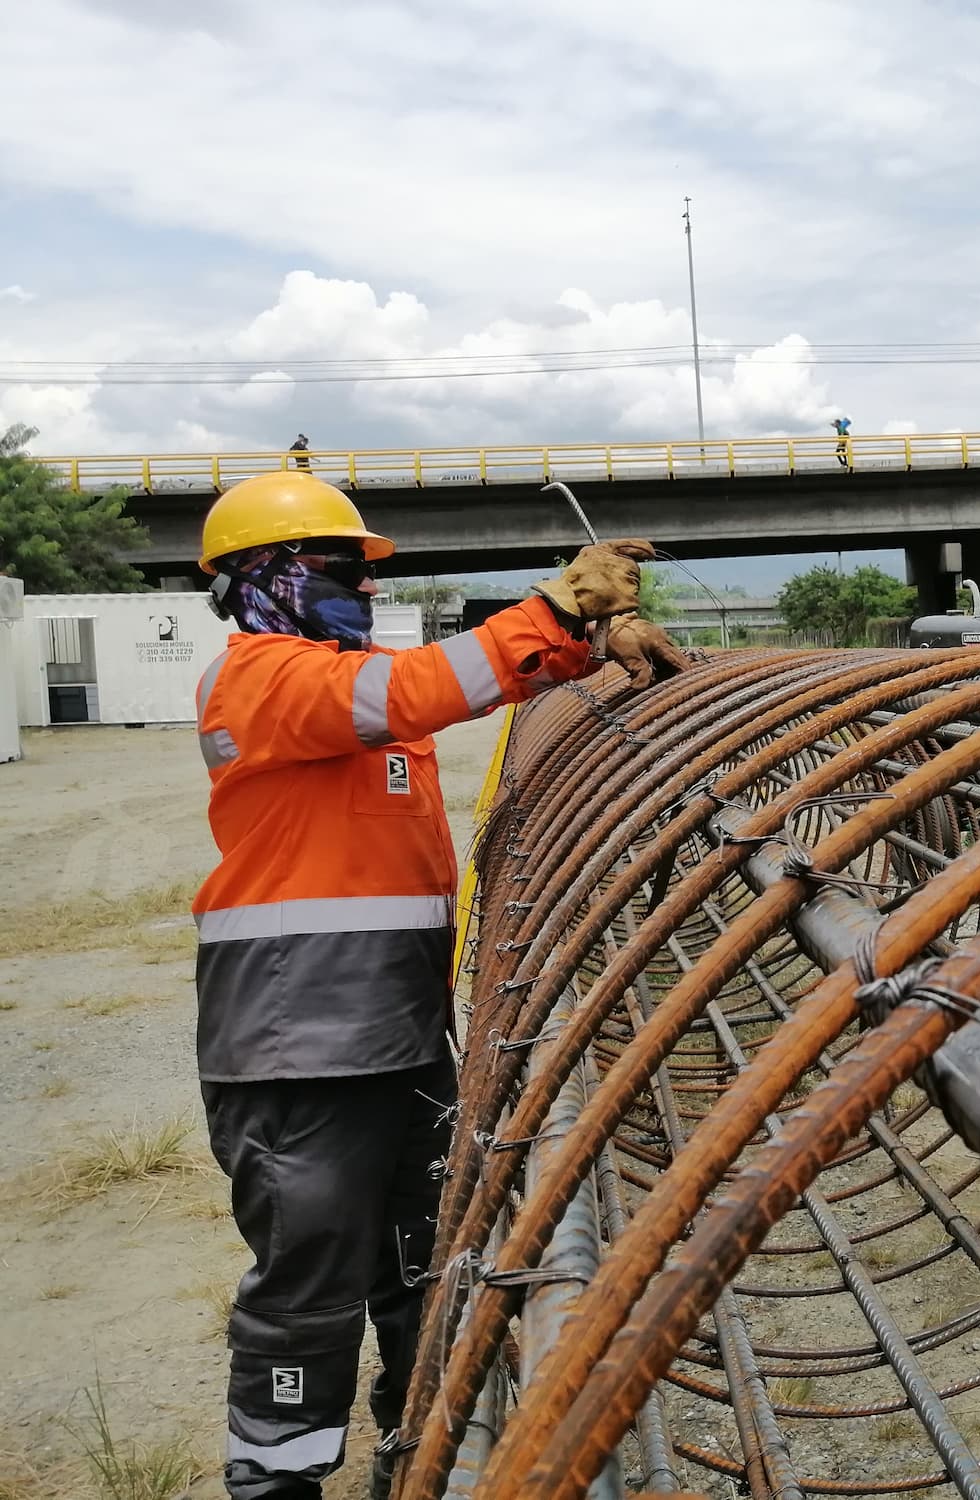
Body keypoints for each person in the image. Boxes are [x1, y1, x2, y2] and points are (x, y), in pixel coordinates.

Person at [188, 471, 683, 1500]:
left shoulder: (342, 691)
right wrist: (557, 607)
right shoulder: (263, 680)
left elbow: (440, 688)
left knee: (424, 1262)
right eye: (332, 570)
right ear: (258, 581)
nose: (357, 591)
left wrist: (587, 648)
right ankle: (277, 1480)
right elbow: (417, 688)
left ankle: (418, 1451)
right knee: (308, 1288)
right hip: (297, 1044)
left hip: (397, 1036)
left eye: (359, 574)